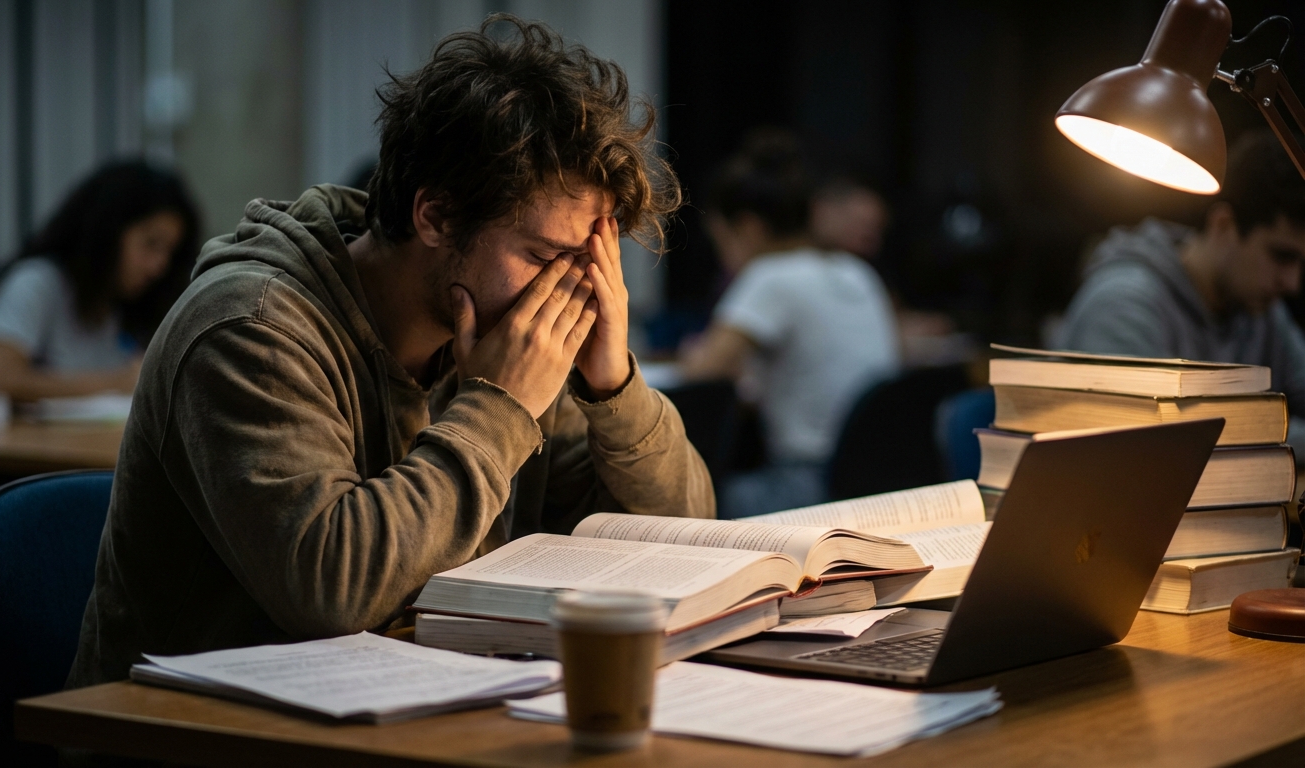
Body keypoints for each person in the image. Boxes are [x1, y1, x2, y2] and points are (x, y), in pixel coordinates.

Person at [68, 16, 713, 687]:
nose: (569, 290)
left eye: (586, 260)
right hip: (190, 726)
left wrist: (613, 388)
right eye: (544, 255)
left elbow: (684, 534)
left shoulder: (510, 334)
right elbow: (332, 591)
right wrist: (497, 408)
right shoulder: (249, 325)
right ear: (434, 216)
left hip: (420, 701)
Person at [681, 132, 899, 518]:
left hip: (807, 484)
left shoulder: (769, 276)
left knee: (684, 496)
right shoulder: (855, 271)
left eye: (721, 240)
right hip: (876, 482)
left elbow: (701, 374)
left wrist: (694, 355)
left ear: (747, 228)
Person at [1058, 130, 1305, 458]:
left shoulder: (1262, 310)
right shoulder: (1124, 303)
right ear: (1223, 225)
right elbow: (1153, 441)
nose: (1292, 283)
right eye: (1281, 256)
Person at [0, 161, 200, 400]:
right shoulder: (34, 282)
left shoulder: (121, 306)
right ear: (107, 231)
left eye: (169, 252)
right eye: (151, 243)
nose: (159, 266)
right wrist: (118, 382)